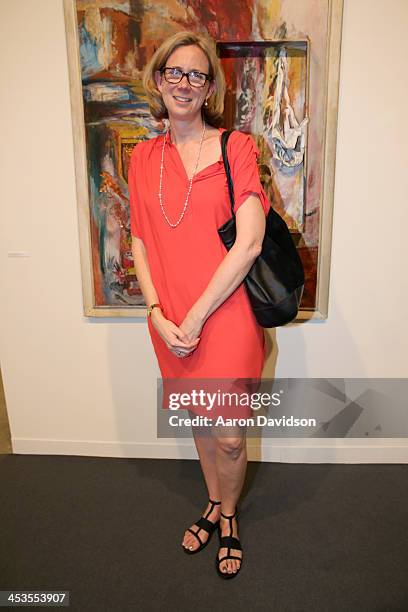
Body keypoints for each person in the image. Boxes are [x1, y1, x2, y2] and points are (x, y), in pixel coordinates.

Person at [128, 30, 270, 579]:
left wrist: (193, 316)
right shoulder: (142, 157)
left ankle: (228, 515)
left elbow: (250, 241)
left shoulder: (236, 147)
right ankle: (211, 502)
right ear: (159, 80)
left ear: (209, 87)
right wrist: (158, 314)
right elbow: (139, 240)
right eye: (174, 72)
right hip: (170, 322)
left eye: (196, 74)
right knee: (199, 420)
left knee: (230, 434)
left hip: (225, 313)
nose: (184, 83)